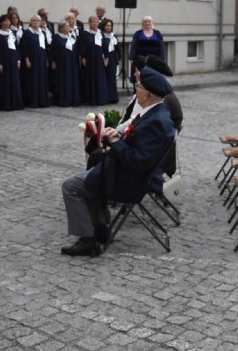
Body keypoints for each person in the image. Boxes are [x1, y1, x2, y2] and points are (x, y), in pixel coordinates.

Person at [60, 67, 176, 257]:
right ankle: (100, 224)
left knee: (70, 186)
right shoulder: (155, 114)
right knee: (87, 175)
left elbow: (138, 161)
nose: (135, 89)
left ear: (146, 95)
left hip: (128, 181)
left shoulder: (156, 121)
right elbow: (137, 145)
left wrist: (114, 143)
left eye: (138, 86)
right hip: (123, 172)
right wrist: (118, 136)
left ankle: (88, 239)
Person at [0, 14, 24, 111]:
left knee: (14, 82)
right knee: (5, 82)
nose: (7, 23)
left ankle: (16, 103)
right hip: (4, 61)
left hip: (13, 59)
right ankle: (6, 104)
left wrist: (18, 59)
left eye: (8, 21)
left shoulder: (12, 33)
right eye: (5, 21)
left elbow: (16, 47)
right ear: (1, 23)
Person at [20, 14, 50, 108]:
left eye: (37, 21)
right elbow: (23, 47)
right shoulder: (27, 33)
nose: (35, 22)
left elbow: (45, 47)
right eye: (33, 20)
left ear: (40, 22)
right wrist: (27, 59)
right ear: (30, 22)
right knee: (32, 80)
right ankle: (33, 101)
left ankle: (42, 100)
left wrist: (46, 59)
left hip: (41, 59)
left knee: (41, 80)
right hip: (32, 60)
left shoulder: (42, 33)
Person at [50, 20, 80, 107]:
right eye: (66, 26)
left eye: (68, 26)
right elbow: (53, 50)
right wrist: (53, 61)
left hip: (72, 62)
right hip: (62, 63)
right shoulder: (56, 37)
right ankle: (64, 100)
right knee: (64, 80)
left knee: (72, 79)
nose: (68, 27)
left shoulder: (72, 37)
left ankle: (73, 99)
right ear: (61, 28)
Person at [129, 16, 164, 82]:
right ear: (142, 23)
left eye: (149, 21)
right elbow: (134, 46)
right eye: (145, 22)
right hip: (140, 60)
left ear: (152, 23)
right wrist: (131, 57)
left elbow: (161, 47)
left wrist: (162, 59)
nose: (147, 23)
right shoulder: (138, 33)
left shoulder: (157, 33)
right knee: (140, 79)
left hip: (154, 60)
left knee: (153, 79)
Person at [100, 18, 120, 104]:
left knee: (111, 78)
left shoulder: (113, 36)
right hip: (103, 57)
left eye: (110, 25)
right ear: (103, 26)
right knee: (104, 78)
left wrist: (117, 57)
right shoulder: (100, 36)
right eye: (107, 25)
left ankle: (112, 97)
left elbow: (117, 48)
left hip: (112, 58)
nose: (109, 27)